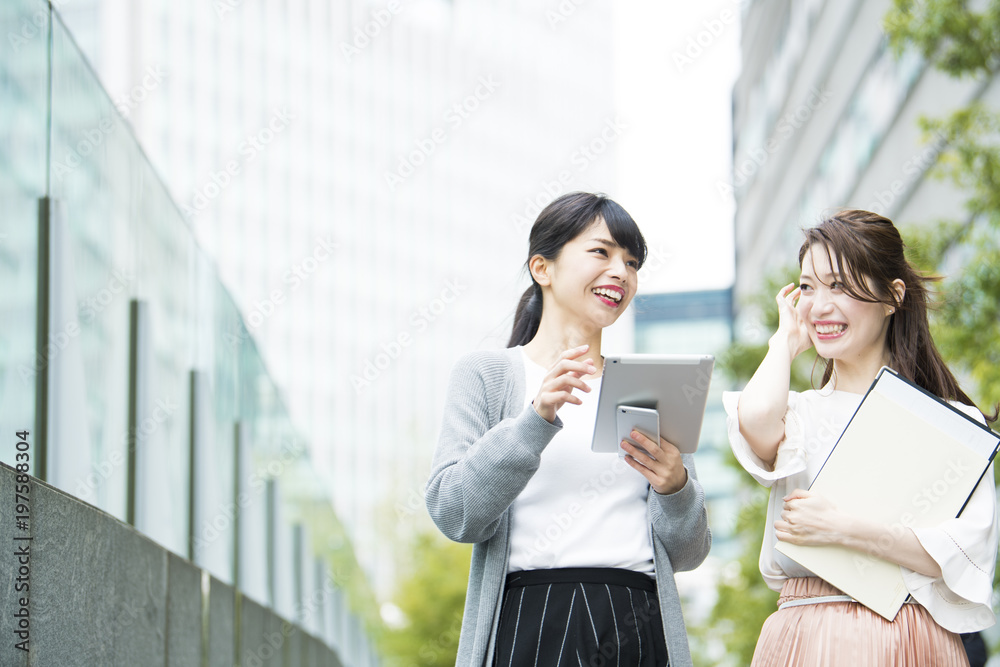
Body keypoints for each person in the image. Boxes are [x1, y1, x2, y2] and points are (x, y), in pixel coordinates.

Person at [426, 192, 711, 667]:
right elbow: (455, 513)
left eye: (632, 261)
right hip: (532, 621)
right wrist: (534, 421)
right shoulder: (488, 374)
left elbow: (689, 553)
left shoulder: (650, 387)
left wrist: (676, 487)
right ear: (543, 268)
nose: (621, 272)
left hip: (637, 623)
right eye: (601, 252)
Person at [724, 209, 998, 666]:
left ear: (893, 297)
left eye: (839, 285)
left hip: (912, 635)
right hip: (805, 632)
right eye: (808, 287)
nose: (819, 305)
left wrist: (843, 529)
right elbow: (756, 420)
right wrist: (784, 342)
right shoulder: (800, 413)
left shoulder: (952, 421)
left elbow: (961, 557)